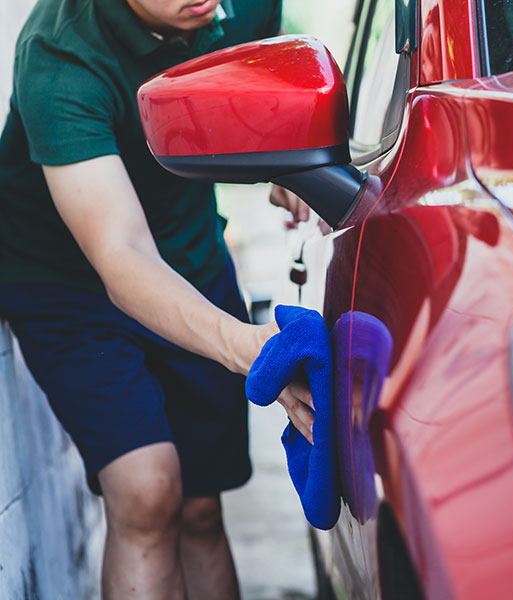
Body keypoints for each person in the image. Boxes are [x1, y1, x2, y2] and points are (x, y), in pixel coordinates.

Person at [0, 0, 316, 597]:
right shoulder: (60, 56)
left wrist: (286, 155)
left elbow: (265, 80)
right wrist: (248, 346)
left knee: (200, 505)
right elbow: (121, 253)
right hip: (68, 283)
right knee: (147, 492)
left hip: (190, 250)